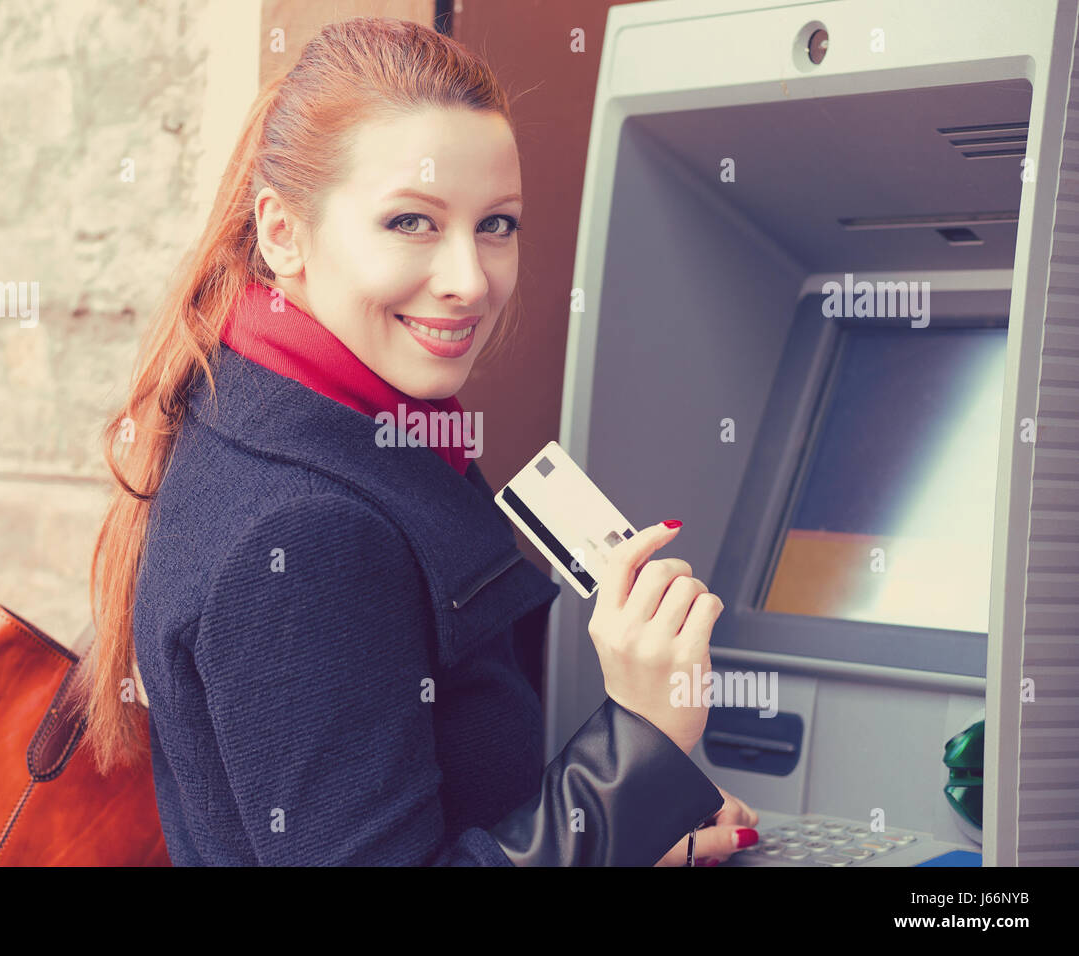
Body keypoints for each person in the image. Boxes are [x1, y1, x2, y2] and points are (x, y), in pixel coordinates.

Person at [80, 15, 758, 866]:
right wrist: (640, 742)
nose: (469, 281)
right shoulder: (307, 531)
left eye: (496, 225)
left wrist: (632, 833)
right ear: (283, 234)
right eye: (412, 223)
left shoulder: (315, 415)